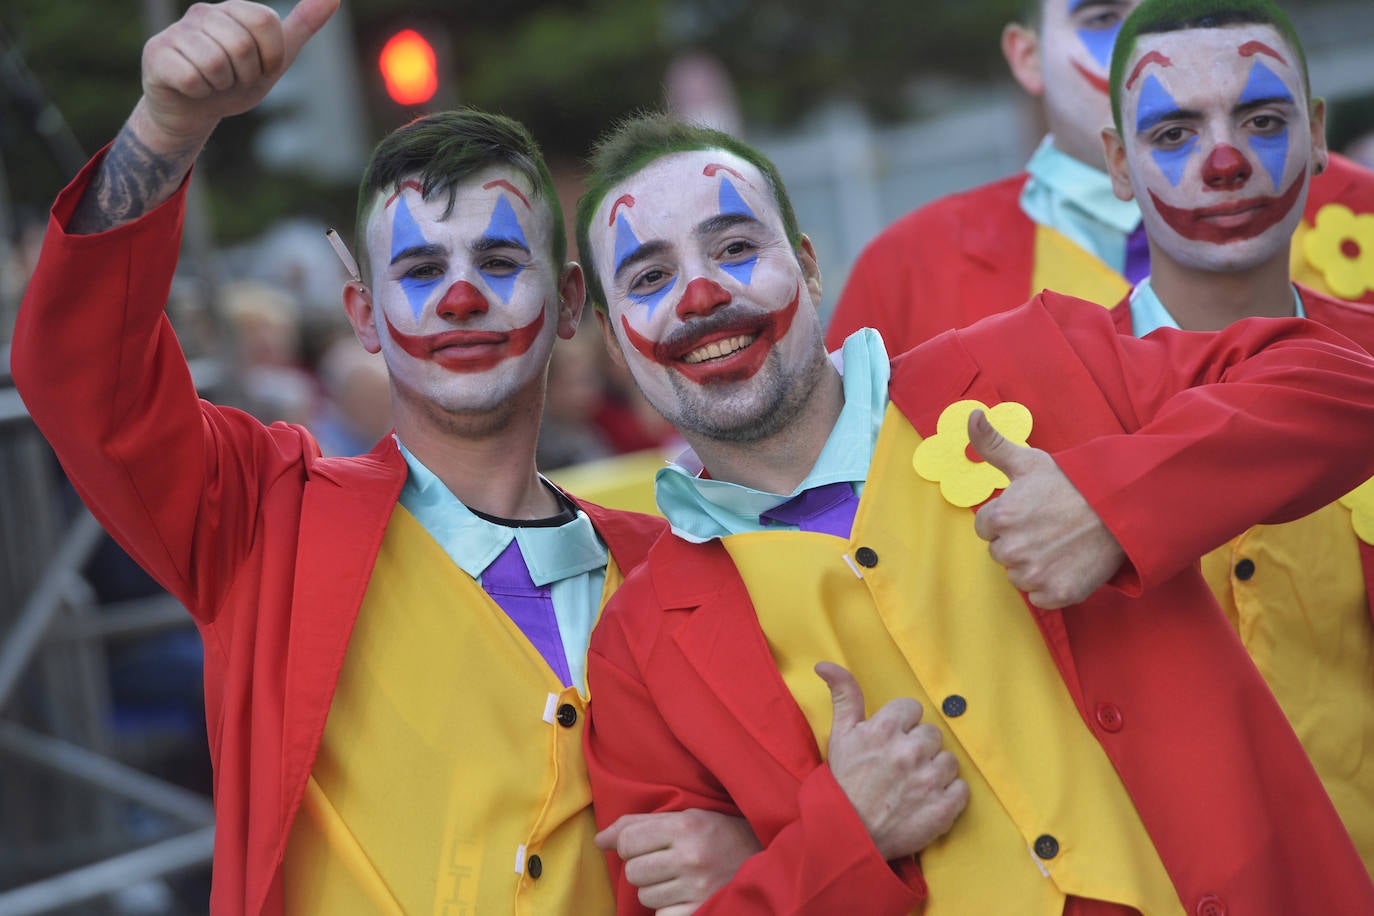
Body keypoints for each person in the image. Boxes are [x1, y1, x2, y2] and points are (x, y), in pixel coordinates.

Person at [10, 2, 748, 913]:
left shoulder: (681, 574)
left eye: (501, 259)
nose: (463, 297)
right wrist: (168, 124)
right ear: (362, 313)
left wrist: (743, 844)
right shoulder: (263, 518)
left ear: (567, 303)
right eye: (420, 270)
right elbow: (81, 371)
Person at [574, 113, 1374, 914]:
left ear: (810, 268)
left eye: (737, 248)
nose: (703, 296)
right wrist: (842, 842)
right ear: (613, 343)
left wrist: (1118, 498)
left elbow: (1346, 381)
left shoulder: (1033, 364)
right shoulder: (639, 647)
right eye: (649, 279)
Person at [1097, 0, 1374, 872]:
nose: (1226, 164)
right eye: (1174, 132)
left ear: (1318, 134)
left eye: (1261, 121)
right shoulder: (1035, 405)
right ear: (1116, 162)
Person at [824, 0, 1374, 353]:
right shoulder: (908, 268)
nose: (1150, 35)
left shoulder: (1361, 210)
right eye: (1103, 18)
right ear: (1027, 56)